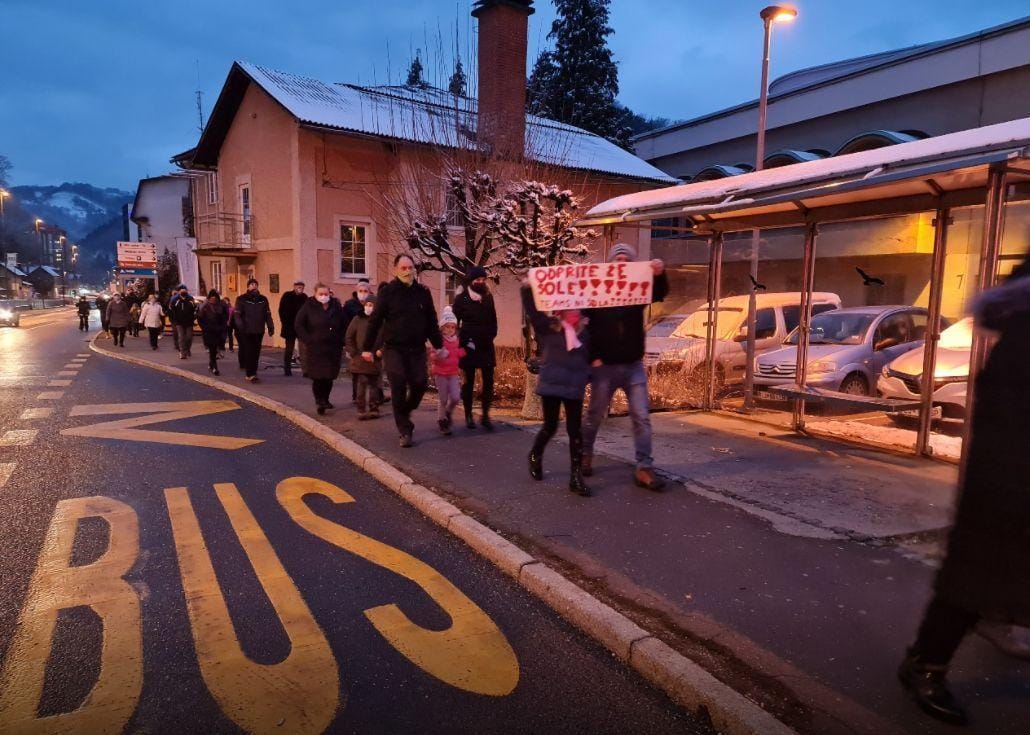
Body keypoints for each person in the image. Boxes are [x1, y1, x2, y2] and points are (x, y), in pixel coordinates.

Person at [898, 255, 1030, 726]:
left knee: (985, 569)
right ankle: (925, 663)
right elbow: (1008, 414)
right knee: (973, 570)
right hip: (1008, 477)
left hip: (1008, 472)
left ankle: (991, 619)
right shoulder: (1024, 331)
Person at [580, 243, 669, 491]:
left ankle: (644, 467)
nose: (621, 262)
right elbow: (584, 325)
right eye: (617, 258)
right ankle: (585, 454)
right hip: (603, 367)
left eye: (626, 259)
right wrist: (591, 357)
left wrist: (659, 274)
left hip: (633, 365)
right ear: (610, 264)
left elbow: (659, 293)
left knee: (641, 416)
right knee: (594, 416)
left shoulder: (637, 291)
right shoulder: (596, 291)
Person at [362, 254, 443, 448]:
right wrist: (367, 348)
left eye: (410, 268)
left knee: (420, 383)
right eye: (404, 268)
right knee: (397, 383)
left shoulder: (422, 292)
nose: (408, 271)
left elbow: (431, 320)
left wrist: (439, 345)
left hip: (416, 348)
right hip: (394, 349)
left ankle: (405, 411)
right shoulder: (388, 292)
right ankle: (405, 430)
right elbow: (375, 321)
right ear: (396, 269)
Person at [521, 283, 592, 496]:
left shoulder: (586, 331)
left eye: (577, 308)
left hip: (574, 385)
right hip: (552, 384)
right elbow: (533, 311)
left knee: (575, 431)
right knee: (550, 426)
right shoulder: (549, 327)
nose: (574, 312)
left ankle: (575, 476)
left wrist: (588, 376)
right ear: (561, 309)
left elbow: (592, 357)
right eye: (570, 308)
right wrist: (527, 288)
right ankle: (535, 453)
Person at [453, 266, 498, 431]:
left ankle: (486, 416)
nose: (480, 282)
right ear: (471, 281)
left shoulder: (488, 297)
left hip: (486, 344)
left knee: (488, 382)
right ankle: (468, 415)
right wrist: (457, 340)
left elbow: (493, 318)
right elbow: (453, 322)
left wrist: (492, 334)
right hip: (468, 344)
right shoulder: (462, 298)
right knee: (468, 382)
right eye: (477, 280)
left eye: (483, 280)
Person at [294, 283, 346, 414]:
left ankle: (326, 399)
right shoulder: (308, 306)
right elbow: (299, 324)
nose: (324, 296)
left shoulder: (336, 306)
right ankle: (319, 400)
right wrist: (308, 340)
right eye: (321, 294)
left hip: (333, 347)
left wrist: (341, 339)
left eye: (326, 294)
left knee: (329, 376)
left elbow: (344, 323)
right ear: (315, 294)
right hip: (315, 347)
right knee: (318, 376)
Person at [345, 294, 383, 420]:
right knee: (361, 384)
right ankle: (361, 409)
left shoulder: (381, 321)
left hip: (375, 359)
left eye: (371, 305)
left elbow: (387, 338)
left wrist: (381, 351)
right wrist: (354, 352)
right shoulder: (357, 319)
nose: (368, 307)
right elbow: (349, 337)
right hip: (360, 358)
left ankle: (374, 408)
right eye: (367, 305)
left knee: (374, 385)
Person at [430, 307, 465, 435]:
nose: (450, 330)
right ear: (442, 327)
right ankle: (442, 420)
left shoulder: (457, 341)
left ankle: (448, 413)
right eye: (447, 327)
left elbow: (458, 353)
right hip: (441, 374)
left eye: (453, 327)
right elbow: (432, 356)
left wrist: (467, 350)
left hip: (453, 373)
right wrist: (439, 355)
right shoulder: (439, 341)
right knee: (443, 399)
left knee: (456, 397)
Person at [233, 278, 274, 382]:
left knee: (256, 352)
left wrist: (270, 326)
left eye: (255, 284)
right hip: (246, 330)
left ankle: (253, 372)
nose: (254, 286)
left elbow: (267, 314)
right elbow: (237, 315)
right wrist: (240, 325)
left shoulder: (263, 299)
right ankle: (250, 374)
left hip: (259, 330)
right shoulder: (241, 299)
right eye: (251, 284)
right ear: (248, 287)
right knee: (249, 351)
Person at [343, 279, 372, 401]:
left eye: (365, 291)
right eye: (360, 291)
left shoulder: (374, 304)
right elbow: (344, 322)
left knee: (373, 371)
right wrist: (348, 345)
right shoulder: (350, 305)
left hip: (370, 342)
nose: (363, 293)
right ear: (356, 291)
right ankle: (356, 396)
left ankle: (375, 396)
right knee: (356, 370)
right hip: (354, 342)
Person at [278, 280, 308, 377]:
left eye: (302, 287)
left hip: (301, 327)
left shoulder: (304, 297)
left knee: (303, 349)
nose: (300, 289)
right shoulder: (287, 296)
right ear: (294, 287)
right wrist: (285, 322)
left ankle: (305, 370)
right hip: (289, 326)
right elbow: (281, 310)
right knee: (289, 349)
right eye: (298, 287)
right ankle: (287, 369)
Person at [197, 289, 230, 376]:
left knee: (215, 349)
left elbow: (225, 317)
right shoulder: (204, 306)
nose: (213, 299)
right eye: (211, 298)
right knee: (212, 349)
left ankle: (211, 364)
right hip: (208, 331)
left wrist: (222, 327)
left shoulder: (221, 305)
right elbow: (200, 318)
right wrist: (204, 327)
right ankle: (215, 367)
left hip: (218, 331)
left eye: (214, 298)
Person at [168, 285, 197, 359]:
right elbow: (171, 310)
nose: (183, 291)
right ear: (179, 291)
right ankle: (182, 352)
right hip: (179, 322)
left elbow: (195, 309)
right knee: (181, 337)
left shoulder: (190, 299)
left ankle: (187, 349)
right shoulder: (175, 300)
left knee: (189, 337)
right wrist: (174, 319)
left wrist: (193, 317)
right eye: (182, 290)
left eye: (184, 290)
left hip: (189, 322)